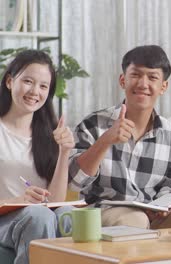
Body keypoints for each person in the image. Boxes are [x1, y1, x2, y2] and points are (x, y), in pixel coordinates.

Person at [69, 45, 171, 229]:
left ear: (163, 86)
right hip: (103, 215)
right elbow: (74, 182)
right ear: (122, 80)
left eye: (152, 77)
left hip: (156, 218)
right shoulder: (94, 124)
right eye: (135, 75)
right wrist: (105, 140)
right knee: (135, 219)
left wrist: (163, 206)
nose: (143, 84)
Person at [0, 50, 74, 264]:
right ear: (10, 82)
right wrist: (18, 201)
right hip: (6, 219)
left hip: (36, 216)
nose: (35, 91)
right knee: (38, 216)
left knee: (68, 214)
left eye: (43, 86)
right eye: (28, 81)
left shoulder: (50, 134)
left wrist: (64, 152)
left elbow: (57, 202)